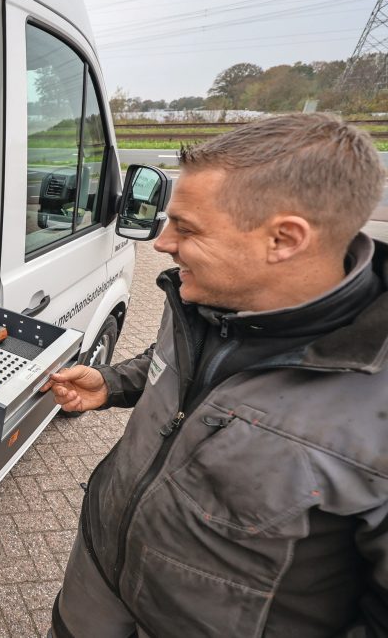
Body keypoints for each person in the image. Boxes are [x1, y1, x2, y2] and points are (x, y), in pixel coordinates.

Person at [44, 113, 388, 637]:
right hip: (93, 596)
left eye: (186, 227)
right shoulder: (202, 295)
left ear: (284, 239)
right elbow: (186, 370)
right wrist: (114, 383)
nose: (161, 243)